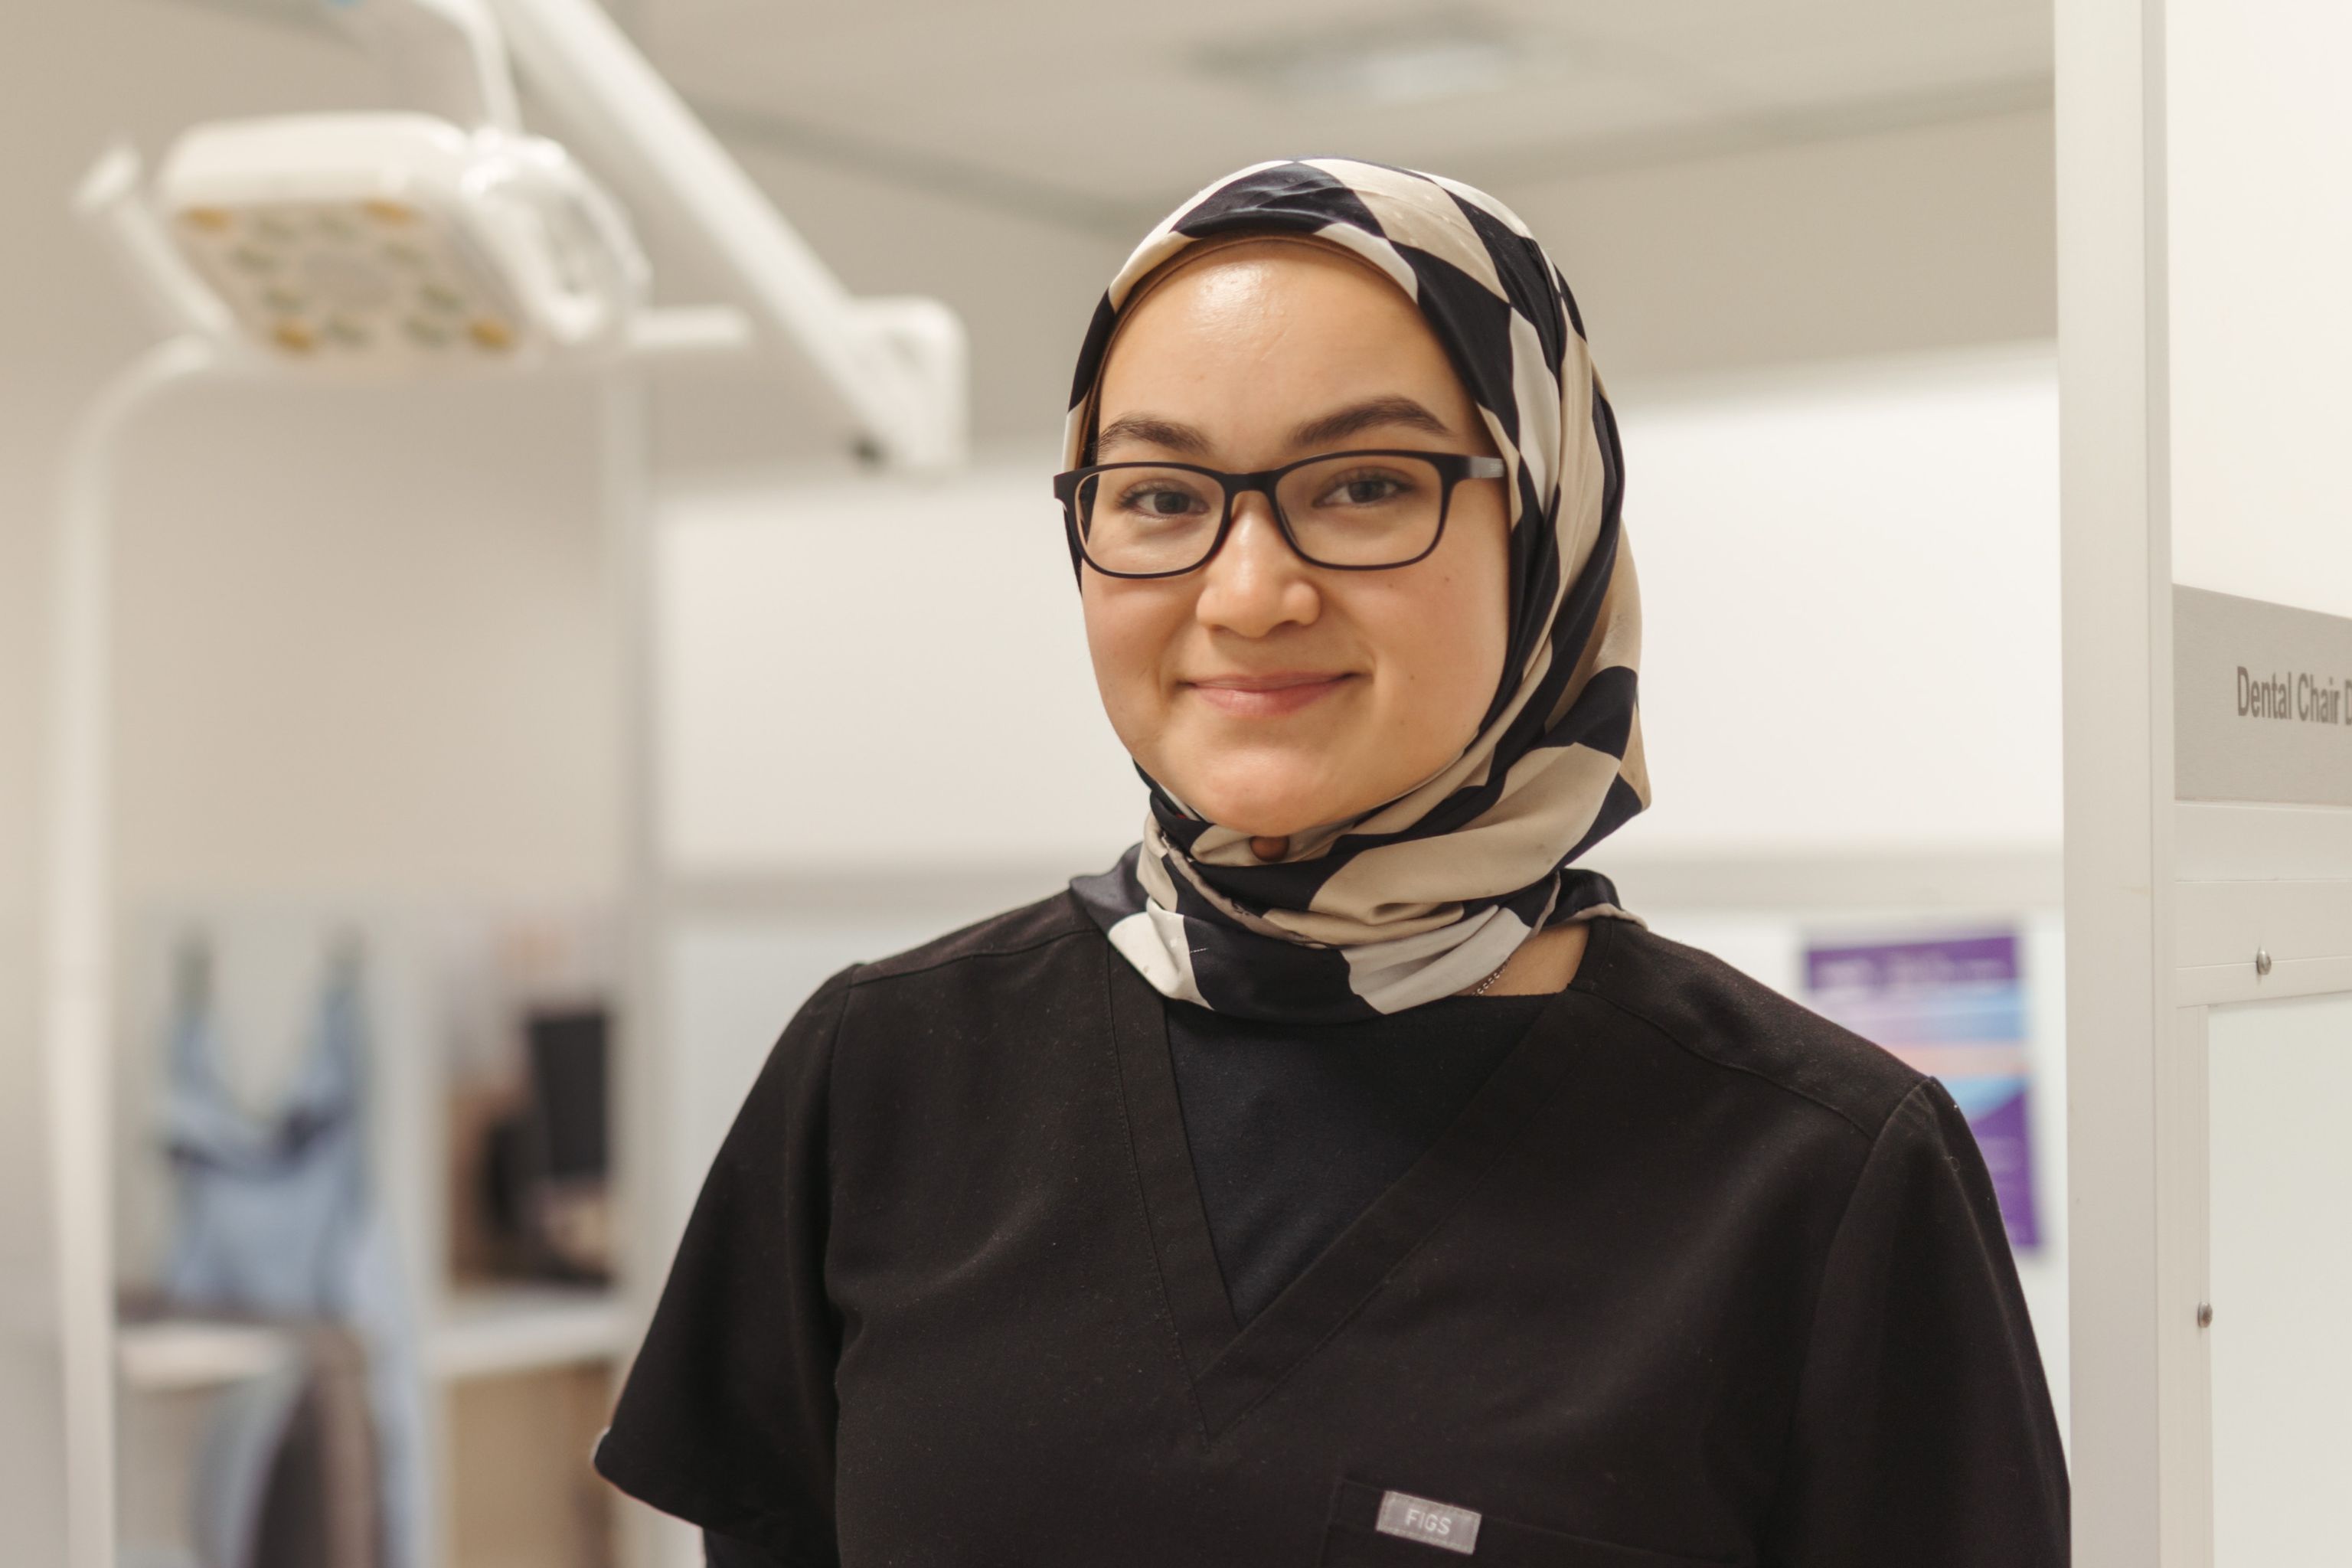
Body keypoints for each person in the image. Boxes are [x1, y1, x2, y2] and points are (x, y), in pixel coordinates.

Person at [593, 158, 2069, 1567]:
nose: (1249, 593)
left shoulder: (1817, 1174)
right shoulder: (884, 1075)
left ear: (1546, 525)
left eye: (1363, 486)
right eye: (1161, 498)